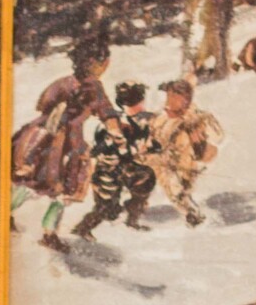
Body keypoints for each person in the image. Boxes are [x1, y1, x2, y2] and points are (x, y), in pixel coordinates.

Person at [10, 31, 118, 250]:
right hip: (68, 145)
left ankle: (5, 212)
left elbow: (43, 104)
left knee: (32, 181)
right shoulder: (95, 88)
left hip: (42, 138)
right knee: (62, 191)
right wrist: (116, 132)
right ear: (99, 64)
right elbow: (107, 114)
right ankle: (49, 233)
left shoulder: (63, 82)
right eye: (104, 61)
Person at [75, 81, 157, 233]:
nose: (141, 105)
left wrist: (150, 148)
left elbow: (145, 143)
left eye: (138, 101)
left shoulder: (142, 121)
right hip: (108, 170)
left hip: (126, 167)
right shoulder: (113, 123)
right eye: (136, 101)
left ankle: (132, 220)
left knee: (144, 184)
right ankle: (82, 229)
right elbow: (100, 148)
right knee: (106, 208)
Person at [140, 77, 222, 226]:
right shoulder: (161, 116)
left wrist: (200, 133)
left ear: (185, 99)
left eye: (173, 96)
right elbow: (152, 134)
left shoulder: (196, 117)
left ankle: (191, 212)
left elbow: (218, 135)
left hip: (183, 160)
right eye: (168, 95)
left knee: (178, 188)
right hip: (160, 159)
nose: (168, 100)